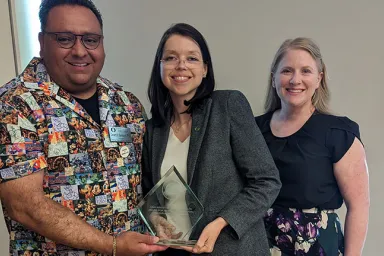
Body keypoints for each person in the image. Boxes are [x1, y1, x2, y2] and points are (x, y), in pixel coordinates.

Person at [0, 0, 167, 255]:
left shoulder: (126, 104)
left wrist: (156, 218)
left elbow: (138, 186)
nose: (80, 51)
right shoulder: (15, 106)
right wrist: (112, 246)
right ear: (42, 41)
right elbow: (25, 206)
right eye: (65, 39)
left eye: (90, 40)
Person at [142, 23, 281, 256]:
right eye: (171, 58)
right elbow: (149, 191)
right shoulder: (153, 129)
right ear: (160, 66)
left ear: (205, 69)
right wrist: (155, 217)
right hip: (173, 251)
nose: (181, 65)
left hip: (231, 249)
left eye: (192, 58)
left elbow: (267, 182)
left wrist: (220, 222)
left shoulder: (227, 107)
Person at [255, 37, 370, 255]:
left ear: (319, 79)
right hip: (258, 244)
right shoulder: (251, 130)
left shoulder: (339, 133)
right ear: (273, 79)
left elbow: (359, 207)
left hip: (317, 247)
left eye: (305, 71)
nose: (295, 80)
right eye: (287, 71)